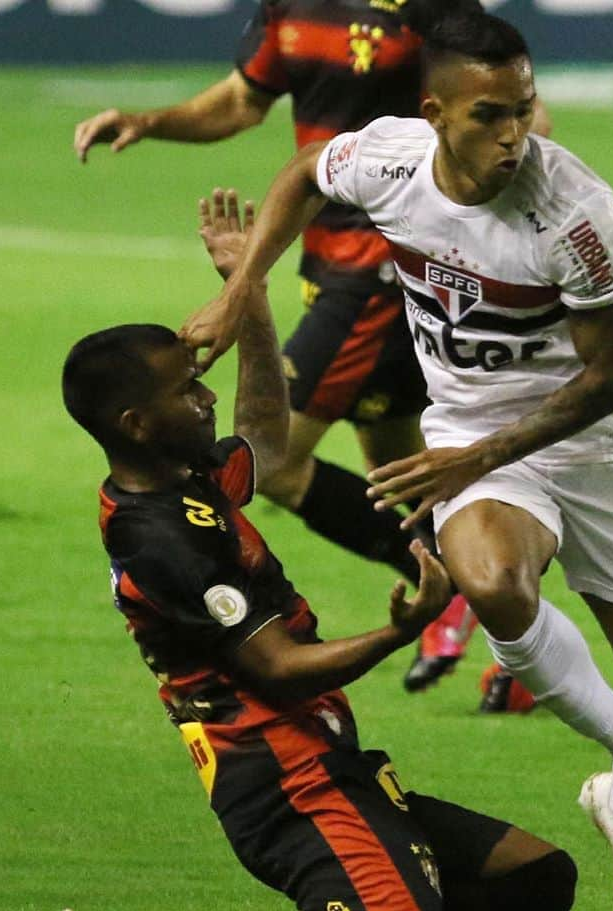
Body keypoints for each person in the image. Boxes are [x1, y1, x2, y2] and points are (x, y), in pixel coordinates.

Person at [180, 12, 613, 911]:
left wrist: (484, 454)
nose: (515, 135)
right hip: (468, 430)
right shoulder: (388, 162)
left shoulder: (577, 213)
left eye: (526, 109)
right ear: (435, 113)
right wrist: (240, 288)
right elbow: (304, 173)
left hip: (596, 446)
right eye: (491, 115)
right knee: (493, 580)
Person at [62, 190, 576, 911]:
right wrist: (402, 628)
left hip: (326, 760)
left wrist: (250, 293)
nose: (205, 398)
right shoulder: (166, 544)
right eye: (187, 391)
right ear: (135, 423)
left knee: (539, 880)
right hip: (287, 783)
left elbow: (266, 434)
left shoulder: (182, 484)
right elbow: (278, 669)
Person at [71, 0, 529, 691]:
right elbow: (241, 102)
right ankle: (515, 637)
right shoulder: (290, 6)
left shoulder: (430, 11)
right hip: (328, 258)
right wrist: (149, 122)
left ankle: (460, 595)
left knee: (279, 465)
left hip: (379, 266)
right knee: (404, 466)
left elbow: (502, 106)